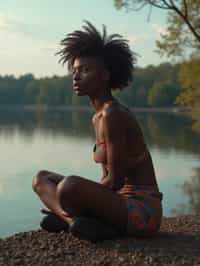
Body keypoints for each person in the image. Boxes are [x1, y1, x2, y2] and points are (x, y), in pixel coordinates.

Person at [32, 21, 163, 241]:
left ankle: (70, 217)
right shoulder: (99, 116)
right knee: (41, 179)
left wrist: (73, 199)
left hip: (141, 211)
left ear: (105, 75)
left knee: (69, 186)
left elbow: (114, 181)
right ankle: (74, 222)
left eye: (85, 70)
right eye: (74, 70)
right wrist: (78, 201)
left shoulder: (113, 114)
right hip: (118, 204)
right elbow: (107, 180)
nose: (76, 76)